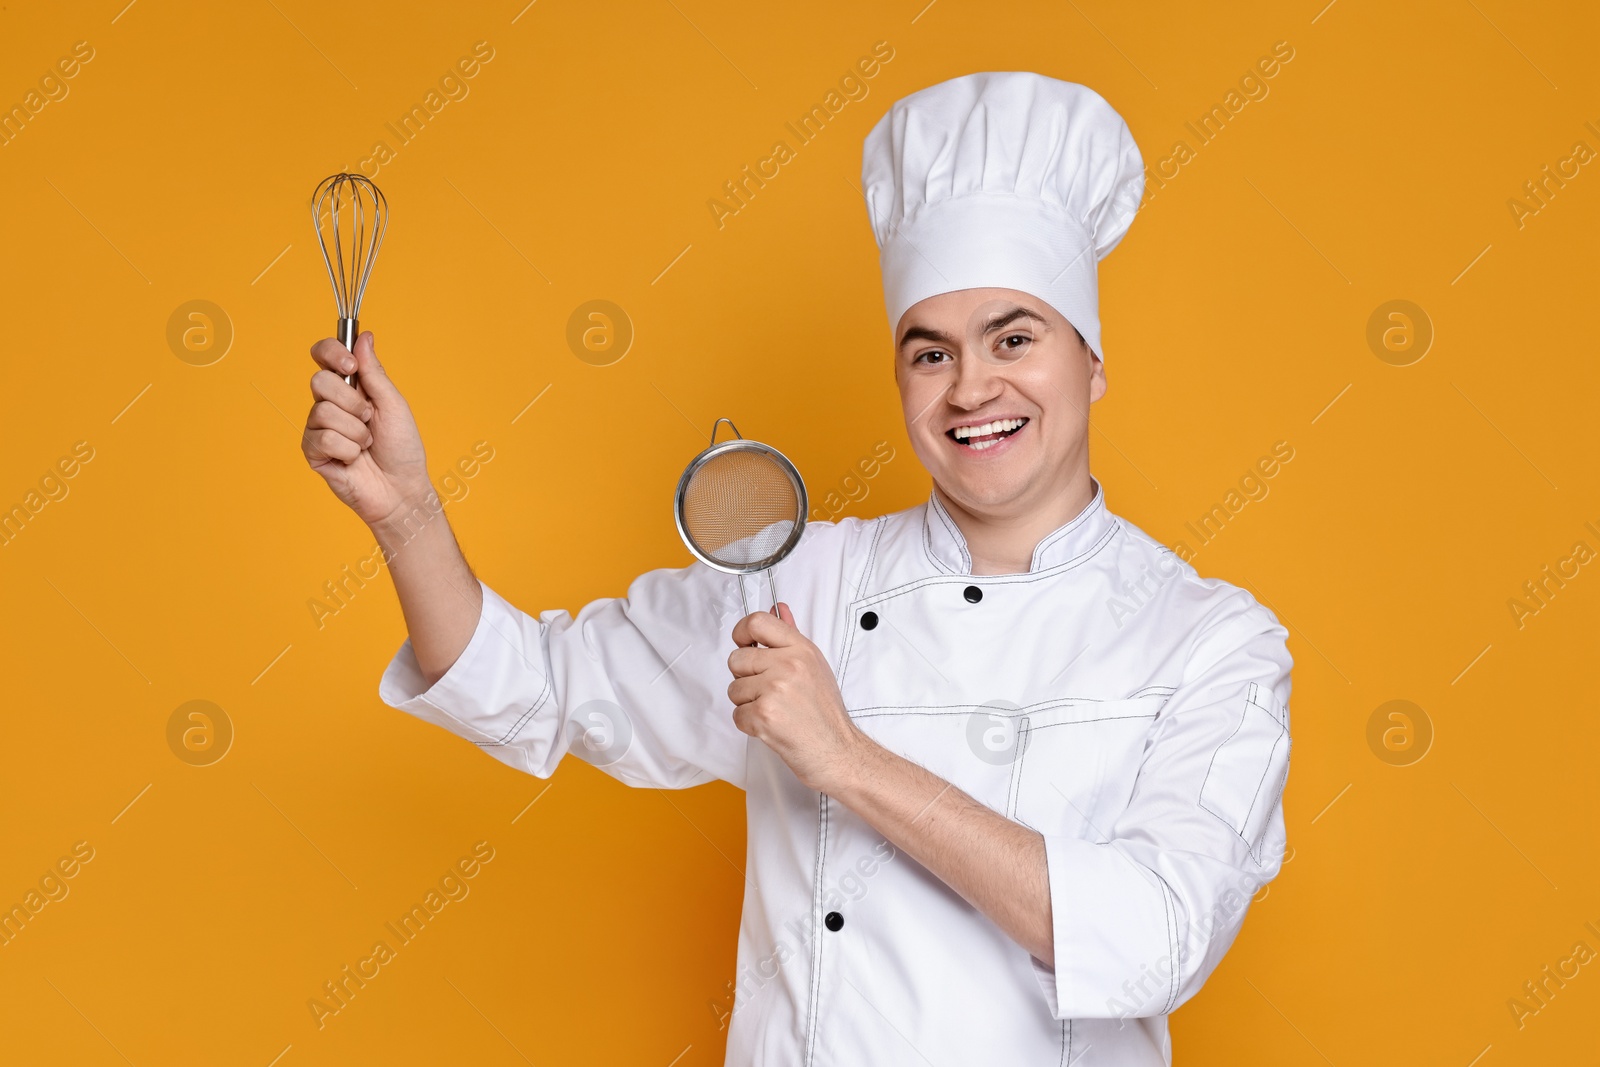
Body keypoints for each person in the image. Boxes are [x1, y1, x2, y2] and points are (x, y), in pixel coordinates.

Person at [300, 71, 1293, 1066]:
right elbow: (531, 687)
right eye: (930, 353)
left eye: (1014, 337)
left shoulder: (1208, 638)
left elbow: (1157, 937)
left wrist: (845, 757)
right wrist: (406, 512)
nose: (972, 387)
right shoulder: (794, 581)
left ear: (1092, 360)